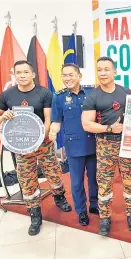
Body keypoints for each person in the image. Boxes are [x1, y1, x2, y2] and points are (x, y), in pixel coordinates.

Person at [0, 60, 72, 236]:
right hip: (22, 146)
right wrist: (3, 115)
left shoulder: (44, 93)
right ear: (15, 75)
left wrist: (41, 137)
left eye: (26, 72)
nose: (22, 76)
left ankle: (59, 197)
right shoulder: (7, 95)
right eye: (18, 73)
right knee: (27, 180)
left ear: (33, 74)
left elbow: (48, 118)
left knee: (54, 173)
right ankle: (35, 215)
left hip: (43, 143)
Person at [81, 56, 131, 236]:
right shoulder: (93, 96)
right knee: (104, 184)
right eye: (99, 70)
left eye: (107, 69)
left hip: (127, 145)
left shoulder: (126, 92)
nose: (103, 73)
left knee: (130, 182)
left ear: (115, 72)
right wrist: (109, 128)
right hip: (105, 145)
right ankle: (105, 218)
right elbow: (86, 124)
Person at [49, 63, 99, 226]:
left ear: (79, 76)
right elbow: (56, 120)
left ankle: (94, 205)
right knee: (76, 182)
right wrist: (53, 131)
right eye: (64, 75)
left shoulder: (92, 92)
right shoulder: (58, 96)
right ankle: (81, 211)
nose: (67, 78)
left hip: (93, 143)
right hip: (74, 146)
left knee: (94, 179)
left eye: (71, 75)